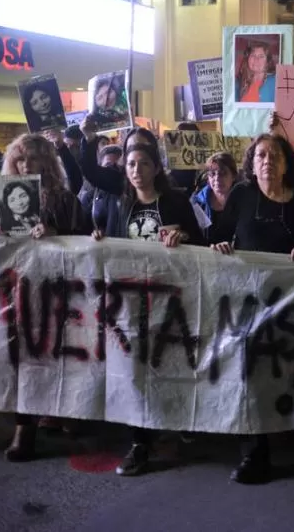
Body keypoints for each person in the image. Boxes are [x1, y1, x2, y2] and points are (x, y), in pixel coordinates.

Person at [210, 133, 294, 484]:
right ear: (252, 161)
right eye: (261, 155)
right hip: (246, 302)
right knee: (247, 373)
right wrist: (218, 243)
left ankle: (283, 425)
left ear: (286, 162)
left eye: (275, 155)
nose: (268, 161)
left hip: (290, 306)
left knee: (281, 372)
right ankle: (254, 454)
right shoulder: (242, 195)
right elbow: (219, 233)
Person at [92, 143, 204, 476]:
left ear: (156, 168)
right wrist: (100, 237)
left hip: (170, 299)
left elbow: (200, 241)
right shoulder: (120, 202)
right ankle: (140, 442)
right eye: (130, 164)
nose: (136, 170)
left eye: (143, 163)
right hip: (129, 300)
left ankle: (178, 420)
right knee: (132, 372)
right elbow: (111, 241)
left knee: (169, 364)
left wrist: (182, 235)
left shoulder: (176, 201)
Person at [0, 133, 90, 462]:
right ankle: (24, 428)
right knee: (23, 355)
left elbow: (85, 241)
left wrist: (57, 236)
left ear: (47, 161)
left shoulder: (65, 198)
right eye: (20, 158)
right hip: (19, 287)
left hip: (57, 289)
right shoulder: (9, 196)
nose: (26, 165)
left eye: (32, 158)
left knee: (57, 353)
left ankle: (62, 409)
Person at [192, 152, 237, 240]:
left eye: (223, 173)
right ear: (208, 178)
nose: (217, 178)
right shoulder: (197, 202)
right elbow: (193, 234)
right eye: (212, 174)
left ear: (234, 176)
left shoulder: (243, 202)